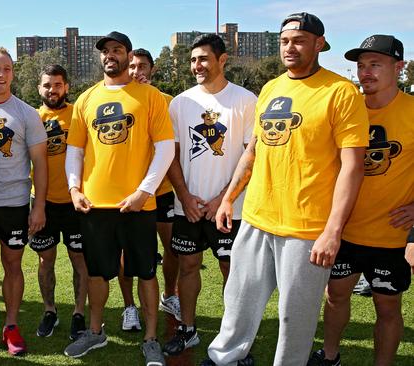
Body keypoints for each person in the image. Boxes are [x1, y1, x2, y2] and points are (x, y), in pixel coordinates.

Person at [201, 12, 369, 366]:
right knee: (238, 302)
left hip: (306, 229)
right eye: (284, 41)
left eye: (299, 40)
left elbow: (353, 167)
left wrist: (332, 232)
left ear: (319, 44)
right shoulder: (272, 87)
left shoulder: (341, 92)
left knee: (296, 318)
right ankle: (223, 360)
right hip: (258, 219)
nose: (289, 47)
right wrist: (229, 198)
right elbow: (254, 149)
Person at [63, 31, 174, 366]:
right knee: (97, 273)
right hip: (96, 205)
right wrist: (74, 188)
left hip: (139, 204)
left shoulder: (150, 96)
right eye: (105, 51)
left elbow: (165, 148)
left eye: (116, 50)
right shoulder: (85, 99)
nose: (110, 55)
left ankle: (151, 338)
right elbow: (75, 150)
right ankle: (96, 333)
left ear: (128, 55)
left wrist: (145, 191)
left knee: (145, 273)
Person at [308, 35, 413, 366]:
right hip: (344, 229)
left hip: (390, 234)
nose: (366, 73)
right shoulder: (346, 107)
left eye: (375, 65)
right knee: (335, 296)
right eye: (361, 65)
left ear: (399, 67)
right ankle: (330, 356)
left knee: (386, 305)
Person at [163, 34, 256, 356]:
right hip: (187, 205)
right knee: (187, 266)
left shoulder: (245, 100)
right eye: (193, 60)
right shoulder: (180, 103)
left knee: (232, 270)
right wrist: (186, 197)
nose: (197, 66)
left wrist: (222, 200)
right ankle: (188, 330)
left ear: (222, 59)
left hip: (230, 207)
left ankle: (235, 339)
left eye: (203, 59)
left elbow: (251, 156)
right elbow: (171, 156)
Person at [0, 47, 47, 359]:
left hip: (15, 204)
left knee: (13, 264)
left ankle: (11, 326)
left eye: (7, 69)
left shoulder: (27, 113)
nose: (1, 75)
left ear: (12, 73)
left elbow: (41, 164)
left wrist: (38, 206)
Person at [118, 48, 180, 331]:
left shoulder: (168, 102)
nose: (136, 71)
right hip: (129, 193)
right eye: (131, 66)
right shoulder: (120, 99)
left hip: (163, 190)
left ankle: (169, 295)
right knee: (126, 253)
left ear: (152, 69)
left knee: (171, 248)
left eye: (142, 66)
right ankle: (129, 306)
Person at [30, 64, 88, 340]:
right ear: (39, 88)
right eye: (47, 85)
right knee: (45, 261)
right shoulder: (32, 117)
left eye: (57, 85)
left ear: (66, 87)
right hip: (44, 202)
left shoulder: (79, 112)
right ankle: (50, 310)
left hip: (76, 202)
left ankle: (79, 313)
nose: (52, 90)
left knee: (80, 259)